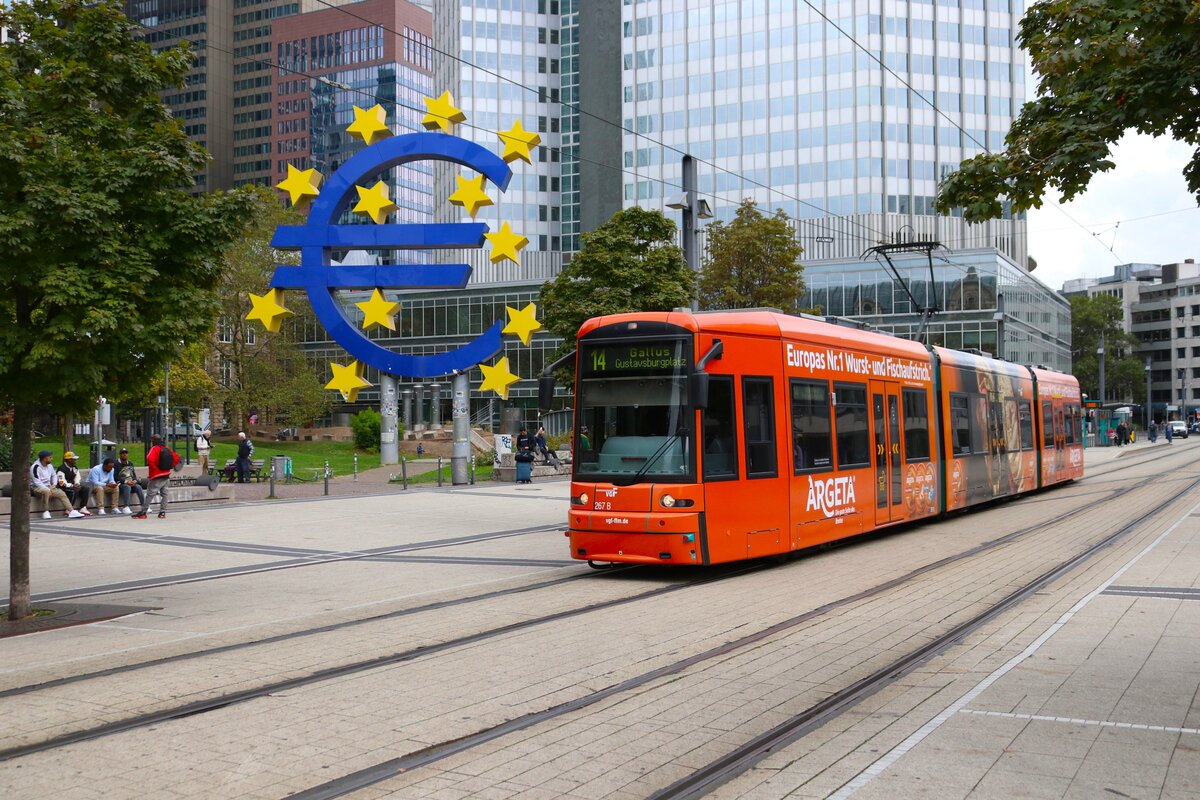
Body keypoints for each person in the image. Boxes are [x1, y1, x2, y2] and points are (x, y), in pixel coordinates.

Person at [135, 434, 179, 519]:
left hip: (156, 475)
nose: (151, 441)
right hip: (166, 475)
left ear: (154, 440)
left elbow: (149, 459)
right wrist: (169, 467)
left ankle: (143, 512)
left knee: (150, 494)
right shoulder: (167, 448)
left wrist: (155, 468)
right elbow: (176, 458)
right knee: (165, 494)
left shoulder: (154, 448)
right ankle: (162, 512)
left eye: (152, 440)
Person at [30, 450, 75, 519]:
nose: (52, 459)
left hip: (49, 487)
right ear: (45, 458)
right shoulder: (35, 467)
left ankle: (71, 511)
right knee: (46, 491)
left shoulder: (50, 466)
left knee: (61, 493)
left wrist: (54, 485)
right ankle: (45, 511)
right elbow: (37, 482)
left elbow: (54, 475)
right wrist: (48, 489)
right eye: (50, 457)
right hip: (36, 488)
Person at [57, 451, 92, 516]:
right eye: (73, 459)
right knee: (74, 491)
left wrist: (77, 483)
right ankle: (69, 509)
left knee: (85, 489)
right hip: (63, 487)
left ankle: (83, 507)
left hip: (73, 485)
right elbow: (61, 482)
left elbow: (77, 477)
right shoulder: (61, 469)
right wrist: (72, 485)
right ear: (68, 460)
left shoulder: (74, 468)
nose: (75, 460)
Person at [116, 448, 144, 515]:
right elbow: (115, 477)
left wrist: (134, 480)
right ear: (120, 455)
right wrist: (126, 482)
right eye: (123, 453)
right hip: (121, 484)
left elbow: (133, 475)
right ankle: (126, 507)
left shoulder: (130, 463)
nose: (124, 454)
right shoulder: (116, 464)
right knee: (127, 487)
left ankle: (144, 506)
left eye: (126, 453)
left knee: (138, 487)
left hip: (130, 482)